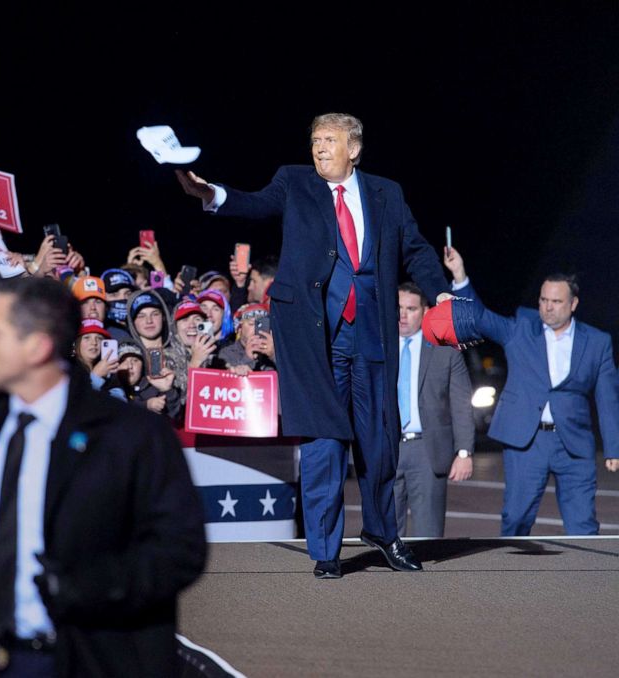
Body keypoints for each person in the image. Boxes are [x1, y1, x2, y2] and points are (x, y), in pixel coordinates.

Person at [176, 112, 449, 578]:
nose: (320, 148)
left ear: (355, 148)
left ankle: (383, 532)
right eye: (316, 140)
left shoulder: (387, 192)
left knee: (380, 441)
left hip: (372, 333)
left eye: (330, 140)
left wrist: (441, 290)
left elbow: (416, 248)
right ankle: (326, 551)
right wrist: (212, 194)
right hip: (316, 335)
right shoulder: (295, 182)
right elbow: (254, 203)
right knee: (323, 442)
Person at [0, 277, 206, 677]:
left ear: (37, 346)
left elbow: (180, 550)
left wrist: (94, 586)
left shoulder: (132, 435)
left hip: (97, 658)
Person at [444, 249, 619, 535]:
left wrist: (613, 446)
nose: (548, 307)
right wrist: (460, 276)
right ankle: (512, 580)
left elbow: (607, 397)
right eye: (543, 300)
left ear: (573, 303)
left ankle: (585, 578)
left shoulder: (597, 342)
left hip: (573, 443)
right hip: (527, 441)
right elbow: (479, 318)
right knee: (515, 520)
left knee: (584, 525)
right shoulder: (520, 329)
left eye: (556, 301)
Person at [393, 283, 474, 537]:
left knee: (429, 536)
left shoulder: (444, 350)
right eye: (398, 308)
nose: (403, 315)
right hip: (386, 449)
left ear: (425, 311)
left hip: (427, 451)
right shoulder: (376, 347)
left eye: (410, 308)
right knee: (383, 535)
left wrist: (464, 452)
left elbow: (460, 401)